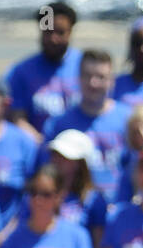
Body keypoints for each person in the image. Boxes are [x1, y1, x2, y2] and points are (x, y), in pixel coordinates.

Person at [44, 49, 130, 200]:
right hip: (74, 212)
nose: (93, 83)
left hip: (116, 210)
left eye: (101, 77)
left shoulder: (128, 120)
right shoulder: (58, 124)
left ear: (112, 81)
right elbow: (47, 172)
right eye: (87, 75)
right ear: (78, 78)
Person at [4, 1, 81, 140]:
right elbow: (17, 117)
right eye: (48, 32)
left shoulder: (85, 67)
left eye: (60, 32)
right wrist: (41, 145)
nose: (53, 39)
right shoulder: (21, 72)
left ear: (70, 32)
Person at [0, 78, 38, 227]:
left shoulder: (24, 142)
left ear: (6, 102)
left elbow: (32, 194)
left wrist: (6, 234)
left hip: (14, 236)